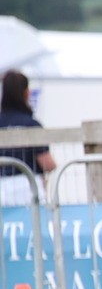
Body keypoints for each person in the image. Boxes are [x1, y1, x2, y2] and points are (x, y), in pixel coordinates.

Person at [0, 70, 56, 207]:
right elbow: (47, 163)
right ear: (25, 92)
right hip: (28, 186)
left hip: (3, 188)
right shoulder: (31, 124)